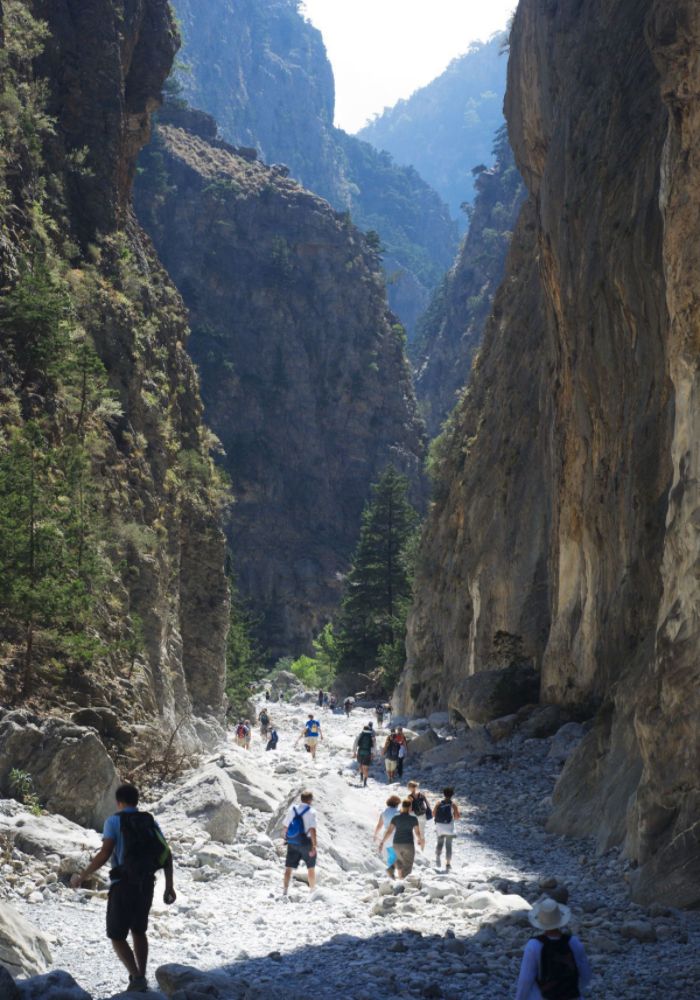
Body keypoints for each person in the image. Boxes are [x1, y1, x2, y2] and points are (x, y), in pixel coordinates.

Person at [69, 783, 175, 993]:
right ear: (136, 801)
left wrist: (82, 875)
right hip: (147, 884)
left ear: (118, 802)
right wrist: (169, 887)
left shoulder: (114, 821)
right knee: (139, 930)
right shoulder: (149, 821)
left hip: (123, 885)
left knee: (116, 935)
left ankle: (136, 978)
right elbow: (166, 853)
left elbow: (106, 852)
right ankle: (141, 975)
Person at [515, 897, 592, 1000]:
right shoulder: (574, 942)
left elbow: (525, 979)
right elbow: (586, 974)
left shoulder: (534, 945)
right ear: (560, 919)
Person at [282, 790, 318, 895]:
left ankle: (285, 890)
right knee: (310, 867)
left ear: (301, 799)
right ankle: (312, 891)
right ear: (310, 800)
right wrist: (314, 846)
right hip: (306, 842)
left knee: (288, 867)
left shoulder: (292, 809)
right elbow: (312, 830)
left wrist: (285, 838)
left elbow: (285, 826)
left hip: (292, 841)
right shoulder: (312, 811)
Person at [378, 798, 424, 878]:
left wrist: (382, 842)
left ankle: (391, 869)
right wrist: (420, 840)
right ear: (410, 808)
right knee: (408, 863)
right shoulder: (413, 819)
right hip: (408, 844)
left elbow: (389, 831)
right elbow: (417, 832)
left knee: (399, 860)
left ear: (402, 807)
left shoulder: (396, 818)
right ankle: (404, 883)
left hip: (396, 843)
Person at [373, 794, 401, 877]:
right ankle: (393, 872)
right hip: (396, 834)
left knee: (391, 853)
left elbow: (379, 825)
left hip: (386, 835)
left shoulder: (384, 813)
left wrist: (375, 834)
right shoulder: (398, 813)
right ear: (397, 804)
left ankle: (390, 871)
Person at [433, 787, 460, 871]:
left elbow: (433, 814)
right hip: (449, 827)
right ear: (452, 795)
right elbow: (457, 817)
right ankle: (448, 864)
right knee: (449, 846)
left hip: (440, 826)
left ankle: (437, 857)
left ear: (443, 794)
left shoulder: (438, 802)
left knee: (439, 842)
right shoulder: (453, 804)